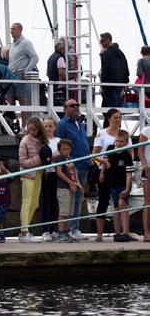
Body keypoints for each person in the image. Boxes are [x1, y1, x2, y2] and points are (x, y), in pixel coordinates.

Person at [56, 99, 91, 241]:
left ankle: (74, 228)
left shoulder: (80, 122)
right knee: (70, 200)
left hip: (85, 164)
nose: (76, 107)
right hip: (73, 166)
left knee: (78, 199)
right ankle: (68, 230)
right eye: (72, 106)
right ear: (65, 109)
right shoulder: (63, 124)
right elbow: (59, 145)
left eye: (77, 105)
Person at [93, 108, 130, 241]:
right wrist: (104, 164)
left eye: (120, 117)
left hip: (120, 173)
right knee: (103, 200)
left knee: (119, 202)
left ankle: (121, 233)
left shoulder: (124, 134)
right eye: (115, 117)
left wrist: (129, 168)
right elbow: (95, 155)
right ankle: (99, 234)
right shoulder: (102, 134)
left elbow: (129, 152)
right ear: (109, 119)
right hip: (104, 171)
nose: (118, 120)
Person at [100, 130, 136, 242]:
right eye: (117, 141)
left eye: (121, 142)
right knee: (115, 207)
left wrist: (127, 188)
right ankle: (117, 233)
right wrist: (102, 172)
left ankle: (126, 232)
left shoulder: (127, 155)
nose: (118, 144)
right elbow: (104, 162)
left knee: (122, 204)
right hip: (112, 183)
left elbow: (129, 174)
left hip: (123, 184)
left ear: (126, 143)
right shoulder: (110, 149)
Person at [18, 117, 50, 243]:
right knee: (27, 202)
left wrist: (58, 153)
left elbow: (47, 157)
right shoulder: (24, 141)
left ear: (39, 129)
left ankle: (25, 230)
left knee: (35, 203)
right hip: (27, 175)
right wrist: (39, 158)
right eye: (29, 129)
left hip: (38, 173)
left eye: (34, 129)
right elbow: (22, 162)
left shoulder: (42, 140)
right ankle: (24, 231)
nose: (32, 132)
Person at [7, 23, 40, 125]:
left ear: (20, 30)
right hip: (11, 74)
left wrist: (27, 70)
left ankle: (24, 125)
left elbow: (35, 57)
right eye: (11, 29)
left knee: (22, 101)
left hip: (20, 74)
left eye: (14, 29)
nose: (11, 31)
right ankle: (11, 124)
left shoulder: (26, 43)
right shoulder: (13, 44)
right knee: (9, 100)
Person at [39, 117, 61, 242]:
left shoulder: (58, 140)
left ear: (54, 128)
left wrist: (52, 157)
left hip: (56, 173)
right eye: (46, 126)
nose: (48, 128)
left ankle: (53, 229)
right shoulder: (41, 141)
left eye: (50, 126)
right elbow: (44, 157)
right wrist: (53, 156)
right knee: (45, 201)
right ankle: (45, 230)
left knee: (54, 202)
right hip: (45, 173)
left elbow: (62, 154)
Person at [54, 139, 80, 243]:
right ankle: (61, 233)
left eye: (68, 149)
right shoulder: (60, 158)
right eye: (63, 149)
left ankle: (66, 231)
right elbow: (59, 172)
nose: (66, 151)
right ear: (59, 150)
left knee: (69, 212)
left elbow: (74, 171)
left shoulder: (69, 158)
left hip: (72, 188)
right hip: (63, 188)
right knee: (63, 212)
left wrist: (77, 183)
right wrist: (70, 182)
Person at [99, 32, 129, 107]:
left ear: (108, 40)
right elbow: (126, 69)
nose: (101, 43)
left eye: (102, 41)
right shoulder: (121, 53)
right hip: (119, 87)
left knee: (111, 110)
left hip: (109, 87)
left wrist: (104, 85)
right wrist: (124, 83)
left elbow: (105, 71)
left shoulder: (107, 54)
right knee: (115, 110)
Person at [140, 125, 150, 242]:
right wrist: (145, 166)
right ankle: (147, 232)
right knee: (148, 201)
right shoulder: (146, 130)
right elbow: (140, 151)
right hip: (148, 169)